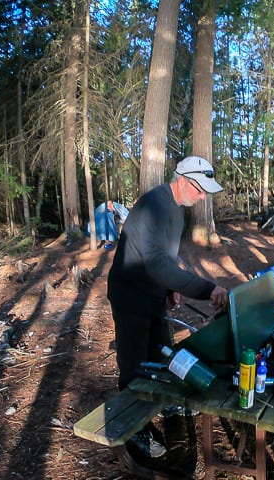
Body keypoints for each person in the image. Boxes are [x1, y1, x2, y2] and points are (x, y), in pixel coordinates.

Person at [107, 155, 229, 457]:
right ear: (184, 181)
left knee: (163, 353)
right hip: (130, 295)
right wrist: (206, 288)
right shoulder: (153, 206)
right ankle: (133, 431)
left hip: (152, 292)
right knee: (134, 365)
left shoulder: (178, 210)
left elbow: (167, 256)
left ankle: (164, 403)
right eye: (200, 190)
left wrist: (170, 289)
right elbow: (157, 263)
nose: (202, 197)